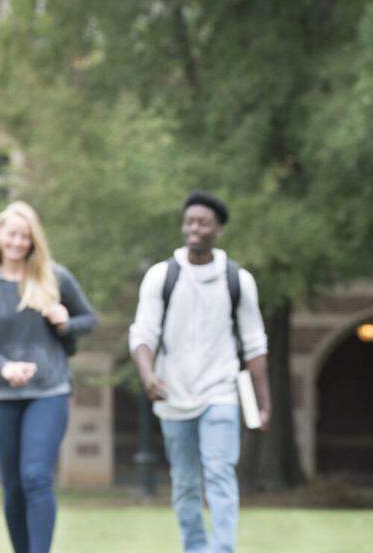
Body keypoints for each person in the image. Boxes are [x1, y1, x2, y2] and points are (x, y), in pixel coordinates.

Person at [128, 191, 271, 553]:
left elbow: (254, 344)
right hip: (173, 394)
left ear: (218, 230)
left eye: (203, 222)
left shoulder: (238, 280)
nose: (194, 228)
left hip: (220, 391)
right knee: (186, 482)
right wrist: (148, 375)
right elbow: (143, 333)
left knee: (220, 473)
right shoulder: (162, 277)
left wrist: (263, 403)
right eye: (190, 221)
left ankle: (222, 549)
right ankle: (194, 547)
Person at [0, 201, 98, 553]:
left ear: (33, 240)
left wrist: (65, 320)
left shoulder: (54, 277)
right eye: (12, 234)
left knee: (36, 476)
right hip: (1, 397)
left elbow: (89, 320)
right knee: (13, 485)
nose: (18, 242)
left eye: (25, 236)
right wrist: (4, 366)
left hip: (49, 391)